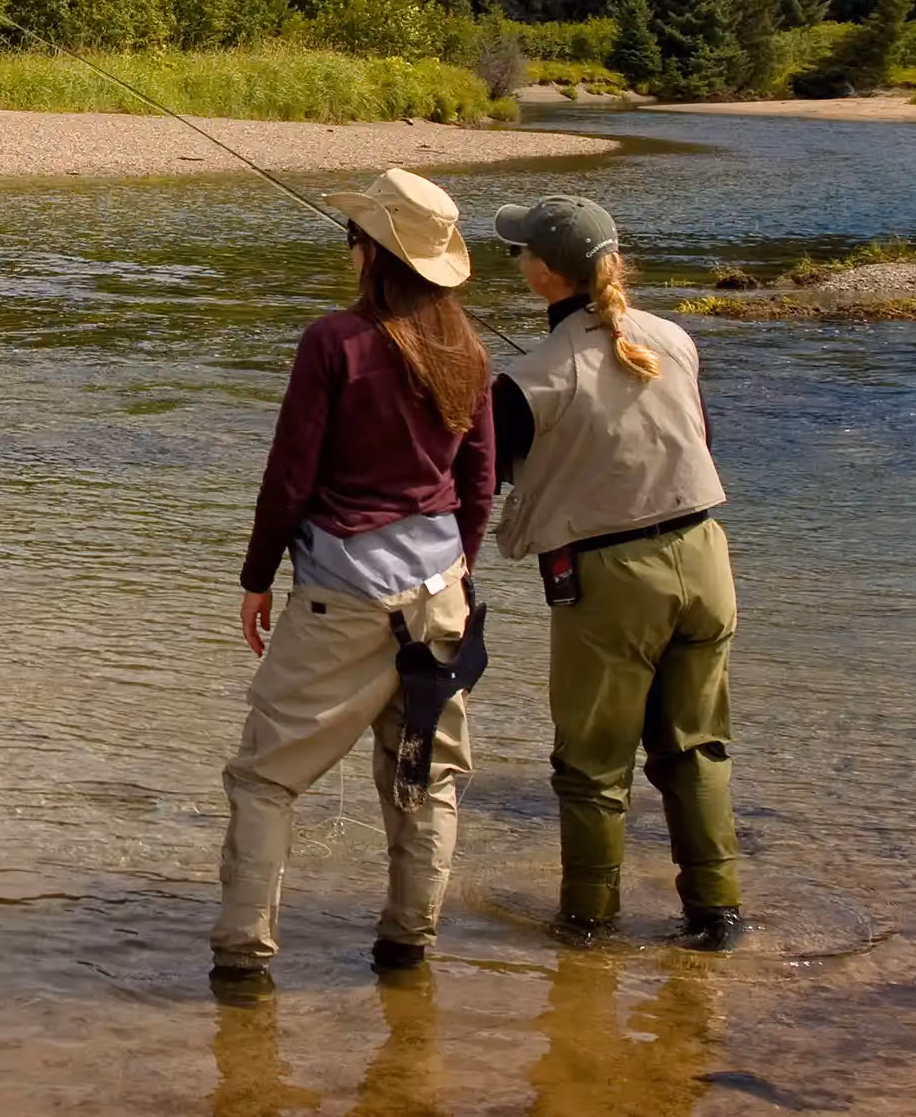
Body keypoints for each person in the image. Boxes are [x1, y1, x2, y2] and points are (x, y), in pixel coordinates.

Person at [211, 168, 495, 988]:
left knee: (265, 778)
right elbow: (480, 483)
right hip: (439, 594)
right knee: (426, 780)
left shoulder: (334, 342)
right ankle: (408, 952)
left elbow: (289, 475)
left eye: (355, 238)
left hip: (343, 595)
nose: (349, 251)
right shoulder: (468, 351)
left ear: (372, 253)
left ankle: (241, 962)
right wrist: (459, 574)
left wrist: (256, 576)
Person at [489, 194, 746, 952]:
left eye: (518, 252)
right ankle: (717, 913)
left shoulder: (528, 379)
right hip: (706, 558)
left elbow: (481, 479)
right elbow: (697, 437)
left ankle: (587, 927)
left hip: (609, 578)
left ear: (542, 275)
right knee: (695, 749)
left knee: (592, 766)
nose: (516, 261)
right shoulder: (675, 338)